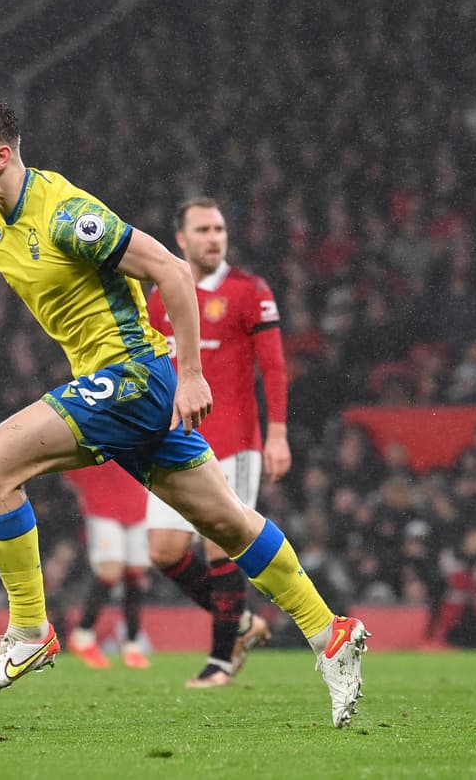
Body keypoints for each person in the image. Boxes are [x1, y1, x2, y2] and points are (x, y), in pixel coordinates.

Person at [0, 97, 367, 728]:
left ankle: (31, 628)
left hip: (134, 378)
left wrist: (192, 375)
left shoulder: (67, 215)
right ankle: (329, 632)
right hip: (126, 388)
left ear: (0, 156)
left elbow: (172, 272)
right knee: (229, 522)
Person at [143, 197, 288, 687]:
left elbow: (274, 368)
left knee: (220, 546)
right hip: (174, 439)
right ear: (180, 239)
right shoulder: (161, 294)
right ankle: (242, 623)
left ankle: (221, 660)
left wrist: (279, 435)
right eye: (203, 230)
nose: (214, 238)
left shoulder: (250, 291)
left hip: (235, 441)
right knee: (163, 552)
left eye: (219, 229)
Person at [62, 462, 152, 670]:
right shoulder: (90, 434)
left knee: (135, 573)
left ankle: (132, 645)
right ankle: (83, 634)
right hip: (102, 506)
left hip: (138, 505)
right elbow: (70, 470)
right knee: (110, 569)